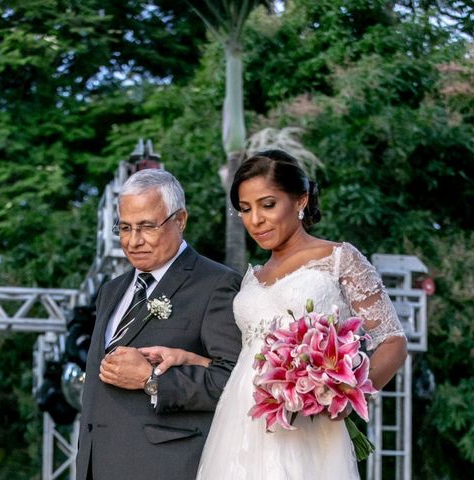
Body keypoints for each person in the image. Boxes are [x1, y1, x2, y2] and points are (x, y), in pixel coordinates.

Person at [140, 150, 408, 479]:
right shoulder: (252, 278)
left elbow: (393, 341)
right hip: (240, 425)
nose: (255, 220)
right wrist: (187, 357)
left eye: (267, 205)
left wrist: (345, 397)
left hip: (307, 425)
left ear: (300, 200)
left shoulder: (339, 258)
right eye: (245, 209)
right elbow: (247, 362)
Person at [75, 168, 243, 480]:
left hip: (167, 467)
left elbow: (233, 381)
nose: (133, 241)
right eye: (124, 228)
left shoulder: (216, 284)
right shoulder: (110, 291)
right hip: (97, 465)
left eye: (147, 226)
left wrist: (152, 380)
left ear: (180, 220)